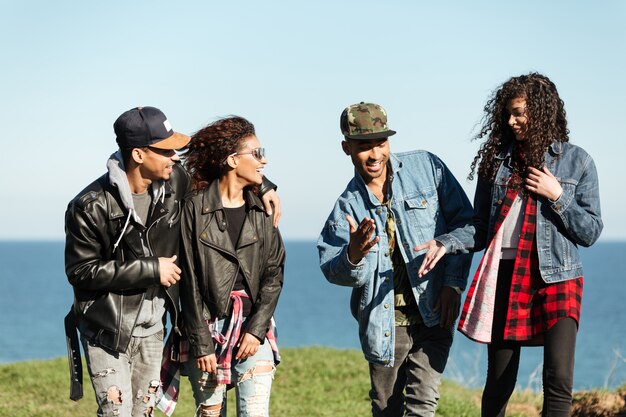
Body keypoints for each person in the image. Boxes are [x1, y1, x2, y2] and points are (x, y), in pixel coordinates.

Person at [64, 106, 281, 417]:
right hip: (107, 329)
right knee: (116, 413)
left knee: (143, 414)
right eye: (165, 150)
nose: (175, 157)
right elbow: (81, 271)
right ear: (139, 155)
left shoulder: (174, 181)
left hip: (154, 325)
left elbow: (222, 165)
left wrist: (264, 185)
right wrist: (153, 269)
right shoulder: (90, 205)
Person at [417, 73, 603, 417]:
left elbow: (590, 231)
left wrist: (557, 195)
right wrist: (447, 243)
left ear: (542, 110)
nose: (512, 121)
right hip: (505, 274)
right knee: (500, 378)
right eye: (508, 114)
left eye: (519, 112)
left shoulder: (578, 161)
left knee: (558, 378)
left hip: (559, 277)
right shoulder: (497, 162)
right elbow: (481, 227)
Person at [317, 102, 474, 416]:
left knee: (422, 407)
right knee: (386, 409)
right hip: (384, 323)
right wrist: (354, 254)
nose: (375, 154)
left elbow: (467, 226)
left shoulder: (428, 168)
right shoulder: (346, 207)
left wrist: (453, 285)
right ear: (346, 147)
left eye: (381, 143)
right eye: (364, 147)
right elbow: (333, 270)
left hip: (435, 311)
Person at [179, 116, 285, 417]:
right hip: (206, 328)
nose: (264, 161)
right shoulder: (194, 208)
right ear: (231, 160)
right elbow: (188, 280)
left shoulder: (262, 208)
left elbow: (273, 274)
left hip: (253, 326)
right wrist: (201, 342)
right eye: (257, 153)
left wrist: (256, 330)